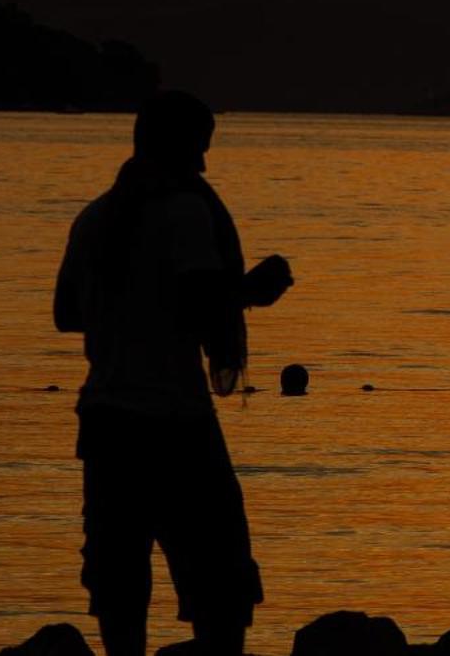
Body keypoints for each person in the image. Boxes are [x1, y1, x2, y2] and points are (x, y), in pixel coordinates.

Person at [53, 91, 294, 656]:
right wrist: (252, 292)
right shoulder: (186, 212)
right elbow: (198, 304)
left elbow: (66, 315)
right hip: (174, 422)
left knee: (119, 581)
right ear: (181, 147)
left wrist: (126, 307)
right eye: (200, 149)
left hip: (105, 421)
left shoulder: (95, 216)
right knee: (221, 578)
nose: (205, 165)